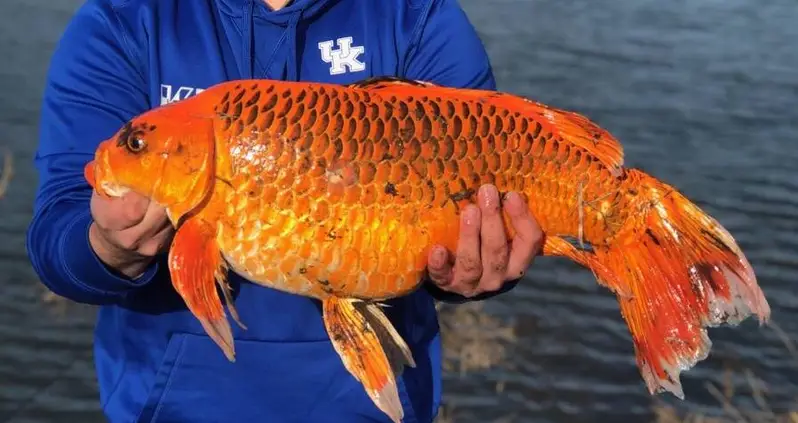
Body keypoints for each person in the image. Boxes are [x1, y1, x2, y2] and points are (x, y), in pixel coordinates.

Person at [26, 0, 544, 421]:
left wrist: (471, 270)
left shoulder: (419, 16)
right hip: (172, 409)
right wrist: (108, 248)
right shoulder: (122, 20)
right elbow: (57, 241)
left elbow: (489, 201)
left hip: (372, 407)